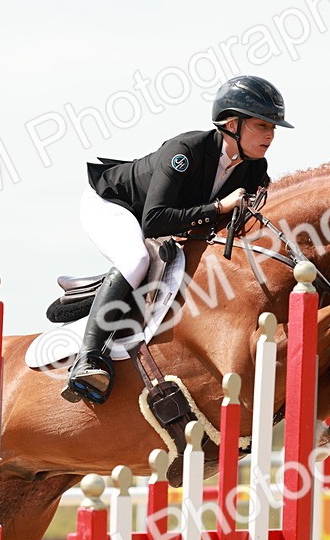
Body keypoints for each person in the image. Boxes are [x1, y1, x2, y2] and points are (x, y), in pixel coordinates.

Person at [62, 75, 293, 405]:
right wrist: (218, 207)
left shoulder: (255, 168)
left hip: (161, 220)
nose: (270, 135)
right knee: (136, 259)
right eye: (262, 125)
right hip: (112, 204)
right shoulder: (185, 152)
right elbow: (154, 221)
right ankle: (88, 360)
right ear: (232, 123)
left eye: (273, 128)